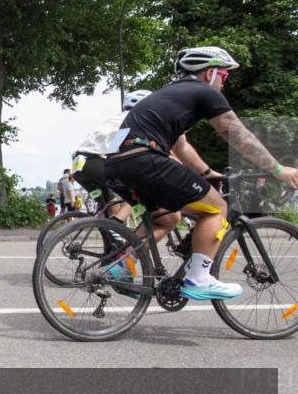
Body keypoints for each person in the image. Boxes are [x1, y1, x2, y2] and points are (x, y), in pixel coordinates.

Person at [105, 46, 298, 300]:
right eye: (225, 77)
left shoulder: (168, 95)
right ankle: (198, 279)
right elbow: (235, 133)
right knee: (217, 208)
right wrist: (278, 169)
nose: (224, 84)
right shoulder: (203, 91)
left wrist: (208, 173)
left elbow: (181, 147)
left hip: (116, 164)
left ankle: (120, 265)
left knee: (166, 217)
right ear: (210, 73)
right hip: (144, 159)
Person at [71, 89, 150, 224]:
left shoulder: (114, 119)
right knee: (138, 191)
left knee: (108, 204)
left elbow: (113, 147)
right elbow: (118, 148)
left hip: (79, 166)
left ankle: (112, 241)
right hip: (94, 162)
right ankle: (118, 224)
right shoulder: (133, 119)